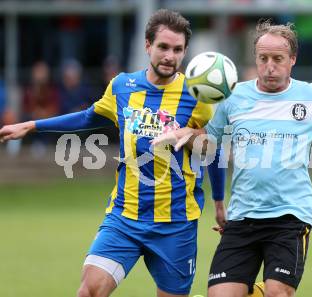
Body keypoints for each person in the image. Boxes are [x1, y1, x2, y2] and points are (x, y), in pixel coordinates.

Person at [151, 20, 312, 297]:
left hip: (290, 216)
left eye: (278, 58)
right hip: (242, 216)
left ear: (292, 59)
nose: (269, 66)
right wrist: (187, 134)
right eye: (263, 59)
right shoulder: (234, 97)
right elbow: (209, 144)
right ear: (256, 59)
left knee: (278, 291)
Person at [0, 9, 225, 297]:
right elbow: (88, 117)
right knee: (89, 292)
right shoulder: (122, 86)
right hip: (125, 216)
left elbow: (213, 151)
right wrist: (32, 126)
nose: (170, 55)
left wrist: (219, 203)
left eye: (177, 49)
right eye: (163, 47)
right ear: (147, 45)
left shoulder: (196, 95)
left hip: (176, 224)